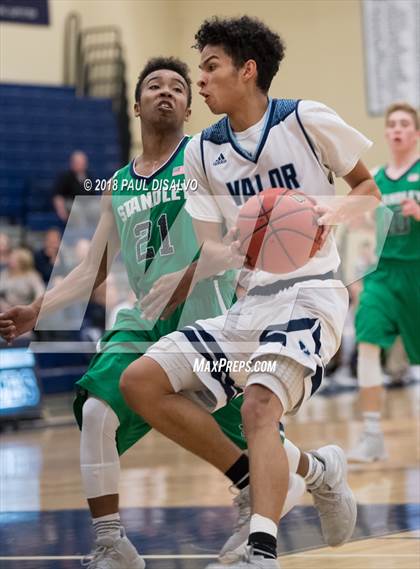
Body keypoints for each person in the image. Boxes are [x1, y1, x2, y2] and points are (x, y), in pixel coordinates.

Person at [0, 57, 304, 569]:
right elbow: (91, 269)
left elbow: (243, 228)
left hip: (213, 322)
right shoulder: (117, 183)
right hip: (145, 321)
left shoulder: (206, 156)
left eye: (179, 87)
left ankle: (304, 480)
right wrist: (37, 309)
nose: (167, 92)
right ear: (137, 105)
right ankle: (111, 542)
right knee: (97, 410)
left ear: (189, 106)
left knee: (264, 448)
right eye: (155, 86)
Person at [120, 16, 380, 568]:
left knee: (260, 406)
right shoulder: (201, 151)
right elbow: (216, 247)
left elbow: (368, 190)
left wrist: (324, 213)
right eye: (201, 70)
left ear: (248, 70)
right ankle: (310, 470)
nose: (202, 81)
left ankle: (260, 550)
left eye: (211, 68)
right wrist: (184, 276)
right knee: (140, 382)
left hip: (312, 293)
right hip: (249, 303)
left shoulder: (306, 119)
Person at [348, 102, 420, 463]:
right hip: (383, 274)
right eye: (391, 124)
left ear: (416, 133)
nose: (396, 129)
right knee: (367, 341)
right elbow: (363, 228)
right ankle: (372, 434)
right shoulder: (375, 177)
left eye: (404, 124)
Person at [52, 150, 97, 226]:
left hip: (86, 203)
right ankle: (82, 232)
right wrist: (61, 211)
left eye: (83, 162)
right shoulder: (66, 176)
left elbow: (93, 195)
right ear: (72, 163)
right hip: (71, 203)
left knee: (96, 207)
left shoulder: (89, 177)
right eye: (78, 162)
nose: (81, 164)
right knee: (77, 209)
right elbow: (58, 196)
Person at [0, 248, 45, 315]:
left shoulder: (32, 276)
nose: (9, 260)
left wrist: (31, 308)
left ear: (22, 262)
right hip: (3, 309)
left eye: (13, 259)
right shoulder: (4, 273)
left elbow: (40, 293)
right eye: (10, 258)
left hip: (23, 311)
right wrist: (1, 304)